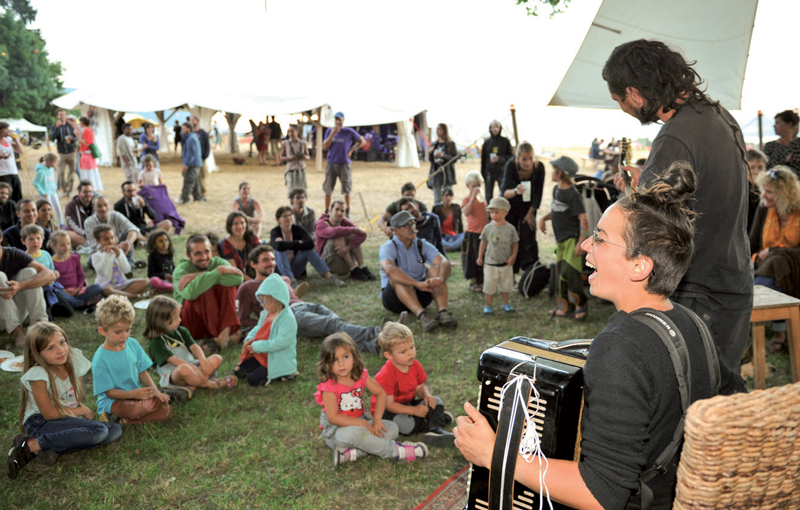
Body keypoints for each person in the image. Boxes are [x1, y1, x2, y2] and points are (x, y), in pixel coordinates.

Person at [454, 163, 747, 510]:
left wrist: (495, 454)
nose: (583, 245)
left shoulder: (620, 347)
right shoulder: (689, 321)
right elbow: (734, 399)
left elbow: (601, 493)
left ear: (640, 265)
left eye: (600, 238)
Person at [604, 39, 753, 370]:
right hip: (733, 285)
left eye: (620, 100)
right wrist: (648, 179)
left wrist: (631, 197)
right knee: (718, 403)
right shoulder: (719, 116)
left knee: (690, 408)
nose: (623, 108)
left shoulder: (675, 136)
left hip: (697, 295)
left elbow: (645, 226)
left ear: (636, 94)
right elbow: (706, 188)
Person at [6, 322, 122, 480]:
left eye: (62, 343)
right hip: (40, 423)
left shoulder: (72, 360)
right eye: (50, 348)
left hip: (66, 419)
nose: (60, 350)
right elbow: (50, 414)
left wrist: (75, 373)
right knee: (99, 432)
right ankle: (29, 445)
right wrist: (82, 411)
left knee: (115, 430)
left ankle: (51, 449)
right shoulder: (38, 374)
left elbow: (78, 398)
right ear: (36, 354)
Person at [238, 245, 399, 354]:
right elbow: (244, 319)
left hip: (306, 306)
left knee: (336, 325)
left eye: (273, 259)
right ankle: (383, 332)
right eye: (265, 260)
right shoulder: (249, 287)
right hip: (289, 315)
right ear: (253, 264)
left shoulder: (283, 278)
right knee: (334, 325)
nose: (271, 263)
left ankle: (373, 345)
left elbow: (291, 297)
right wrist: (270, 325)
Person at [314, 332, 428, 467]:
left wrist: (377, 420)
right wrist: (364, 425)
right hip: (337, 432)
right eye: (334, 360)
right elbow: (333, 418)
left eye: (345, 357)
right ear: (327, 365)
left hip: (362, 423)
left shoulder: (360, 375)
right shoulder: (329, 386)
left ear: (354, 357)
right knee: (357, 434)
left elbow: (380, 393)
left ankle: (352, 453)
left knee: (392, 428)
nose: (341, 363)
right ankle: (396, 450)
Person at [91, 295, 173, 425]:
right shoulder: (100, 358)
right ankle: (112, 415)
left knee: (167, 409)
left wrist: (156, 392)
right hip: (113, 402)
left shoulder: (133, 344)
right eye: (118, 332)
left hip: (136, 398)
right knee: (138, 409)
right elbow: (110, 393)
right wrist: (133, 394)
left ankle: (124, 421)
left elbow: (142, 371)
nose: (125, 335)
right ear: (103, 331)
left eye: (128, 330)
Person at [372, 322, 454, 447]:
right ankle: (436, 421)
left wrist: (426, 396)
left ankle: (436, 429)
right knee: (404, 425)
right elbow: (389, 405)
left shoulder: (415, 365)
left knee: (435, 401)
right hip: (388, 411)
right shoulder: (385, 375)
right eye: (403, 351)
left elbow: (420, 387)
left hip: (408, 404)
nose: (410, 353)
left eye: (412, 347)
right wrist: (413, 410)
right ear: (389, 355)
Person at [749, 166, 800, 354]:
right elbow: (752, 241)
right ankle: (778, 335)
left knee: (777, 260)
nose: (764, 196)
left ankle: (778, 336)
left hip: (796, 267)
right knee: (774, 264)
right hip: (767, 265)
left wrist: (775, 250)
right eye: (763, 190)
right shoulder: (764, 209)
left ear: (785, 194)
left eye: (769, 192)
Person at [379, 210, 457, 332]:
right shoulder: (388, 247)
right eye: (407, 225)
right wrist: (417, 284)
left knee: (436, 269)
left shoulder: (421, 243)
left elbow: (444, 262)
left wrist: (440, 278)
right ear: (396, 230)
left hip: (421, 292)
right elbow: (390, 270)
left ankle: (443, 312)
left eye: (413, 224)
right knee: (397, 278)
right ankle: (422, 315)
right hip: (394, 300)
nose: (412, 228)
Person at [144, 296, 236, 394]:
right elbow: (174, 360)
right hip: (175, 374)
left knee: (217, 358)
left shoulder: (181, 331)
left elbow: (194, 346)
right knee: (184, 369)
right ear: (161, 322)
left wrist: (203, 360)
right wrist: (196, 369)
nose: (179, 320)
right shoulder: (155, 342)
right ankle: (211, 384)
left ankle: (191, 387)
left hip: (191, 365)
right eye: (175, 318)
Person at [539, 156, 589, 320]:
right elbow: (557, 211)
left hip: (572, 239)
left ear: (560, 173)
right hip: (560, 240)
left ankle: (580, 305)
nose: (552, 173)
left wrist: (581, 241)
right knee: (560, 273)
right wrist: (543, 219)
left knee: (571, 272)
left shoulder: (573, 195)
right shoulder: (557, 190)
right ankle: (564, 307)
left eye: (554, 170)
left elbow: (583, 219)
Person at [173, 234, 243, 349]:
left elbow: (238, 278)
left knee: (227, 286)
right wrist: (217, 273)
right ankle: (228, 334)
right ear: (188, 256)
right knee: (203, 288)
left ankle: (223, 335)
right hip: (192, 323)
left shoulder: (218, 263)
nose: (204, 257)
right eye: (197, 253)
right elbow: (190, 294)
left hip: (215, 318)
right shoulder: (181, 270)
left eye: (207, 251)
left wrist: (200, 274)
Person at [234, 273, 298, 387]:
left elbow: (281, 342)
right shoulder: (267, 313)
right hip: (265, 355)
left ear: (278, 299)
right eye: (261, 301)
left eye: (265, 301)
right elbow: (258, 328)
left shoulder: (287, 318)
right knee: (238, 370)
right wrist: (250, 338)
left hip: (278, 361)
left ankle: (285, 374)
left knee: (252, 380)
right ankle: (261, 368)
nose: (262, 305)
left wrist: (258, 346)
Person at [0, 230, 54, 347]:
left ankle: (39, 325)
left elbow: (49, 274)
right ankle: (17, 332)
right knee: (0, 276)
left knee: (30, 272)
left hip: (18, 311)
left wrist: (20, 286)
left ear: (0, 238)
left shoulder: (13, 253)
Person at [271, 206, 346, 287]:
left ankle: (329, 277)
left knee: (308, 250)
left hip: (296, 267)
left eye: (290, 215)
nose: (288, 218)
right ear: (278, 220)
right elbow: (278, 246)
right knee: (279, 251)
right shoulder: (275, 232)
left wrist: (287, 244)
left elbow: (310, 244)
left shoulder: (298, 229)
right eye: (285, 216)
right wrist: (298, 244)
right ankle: (291, 281)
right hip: (280, 271)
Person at [501, 141, 546, 274]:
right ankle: (511, 267)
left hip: (529, 205)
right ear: (517, 158)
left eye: (530, 158)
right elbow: (504, 193)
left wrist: (531, 213)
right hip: (511, 203)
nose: (527, 162)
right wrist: (515, 191)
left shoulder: (539, 167)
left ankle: (530, 268)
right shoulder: (510, 166)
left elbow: (538, 193)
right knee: (511, 234)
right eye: (524, 159)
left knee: (529, 232)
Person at [49, 230, 107, 314]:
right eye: (62, 245)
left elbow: (81, 275)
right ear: (53, 246)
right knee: (57, 293)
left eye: (68, 244)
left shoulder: (75, 258)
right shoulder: (51, 261)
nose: (66, 247)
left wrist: (78, 288)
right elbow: (53, 282)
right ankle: (84, 303)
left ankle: (74, 302)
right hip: (63, 291)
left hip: (78, 290)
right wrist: (64, 290)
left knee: (98, 287)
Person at [478, 196, 519, 314]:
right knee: (489, 285)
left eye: (497, 212)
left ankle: (505, 303)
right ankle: (488, 305)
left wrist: (513, 256)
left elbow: (515, 243)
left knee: (505, 285)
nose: (494, 215)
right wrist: (480, 256)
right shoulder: (488, 228)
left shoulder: (510, 229)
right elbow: (483, 241)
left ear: (505, 212)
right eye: (491, 212)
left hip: (505, 263)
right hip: (490, 263)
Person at [315, 200, 373, 281]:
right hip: (328, 265)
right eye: (337, 209)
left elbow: (362, 234)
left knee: (353, 235)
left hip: (343, 260)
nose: (339, 213)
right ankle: (353, 268)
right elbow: (333, 232)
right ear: (330, 211)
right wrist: (355, 229)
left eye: (342, 211)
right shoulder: (321, 223)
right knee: (338, 236)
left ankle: (362, 267)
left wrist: (347, 248)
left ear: (345, 214)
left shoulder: (343, 221)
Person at [90, 225, 150, 299]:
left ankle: (120, 295)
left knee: (145, 281)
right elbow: (103, 272)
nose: (110, 241)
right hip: (107, 285)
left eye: (112, 238)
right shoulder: (96, 256)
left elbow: (127, 270)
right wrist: (107, 254)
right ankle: (134, 295)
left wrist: (118, 255)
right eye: (106, 239)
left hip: (122, 284)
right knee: (107, 290)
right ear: (98, 241)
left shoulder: (119, 252)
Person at [321, 112, 365, 214]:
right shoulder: (329, 131)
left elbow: (362, 141)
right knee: (328, 187)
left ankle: (347, 211)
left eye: (339, 119)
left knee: (347, 188)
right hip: (332, 162)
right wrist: (333, 133)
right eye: (336, 119)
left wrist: (352, 150)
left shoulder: (348, 131)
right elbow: (324, 147)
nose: (337, 121)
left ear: (343, 120)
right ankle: (327, 211)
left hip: (345, 163)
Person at [83, 195, 141, 262]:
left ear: (110, 206)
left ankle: (130, 264)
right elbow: (95, 245)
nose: (103, 208)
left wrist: (128, 243)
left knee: (129, 237)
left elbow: (133, 229)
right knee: (91, 261)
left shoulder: (116, 215)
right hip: (101, 253)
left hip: (118, 246)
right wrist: (117, 248)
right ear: (94, 208)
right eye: (99, 206)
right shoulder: (89, 222)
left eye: (105, 205)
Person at [462, 171, 488, 292]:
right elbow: (466, 212)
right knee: (472, 258)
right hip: (472, 232)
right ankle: (473, 281)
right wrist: (473, 197)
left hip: (484, 233)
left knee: (483, 256)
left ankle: (482, 280)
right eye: (474, 186)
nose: (477, 188)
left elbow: (487, 212)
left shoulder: (483, 199)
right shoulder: (467, 199)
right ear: (468, 186)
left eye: (479, 185)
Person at [220, 211, 261, 281]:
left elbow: (260, 261)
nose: (239, 226)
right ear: (230, 226)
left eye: (242, 223)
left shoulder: (252, 238)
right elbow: (235, 271)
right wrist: (254, 283)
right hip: (237, 278)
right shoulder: (225, 244)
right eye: (235, 224)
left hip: (257, 275)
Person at [481, 120, 514, 202]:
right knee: (488, 196)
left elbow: (511, 157)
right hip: (489, 173)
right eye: (493, 127)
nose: (495, 129)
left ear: (500, 128)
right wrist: (482, 174)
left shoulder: (505, 141)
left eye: (497, 127)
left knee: (503, 194)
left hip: (502, 172)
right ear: (490, 129)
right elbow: (483, 160)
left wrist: (499, 159)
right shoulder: (487, 142)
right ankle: (489, 213)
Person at [763, 110, 800, 178]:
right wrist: (786, 161)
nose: (774, 126)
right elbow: (767, 168)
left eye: (778, 123)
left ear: (789, 124)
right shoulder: (770, 146)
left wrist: (792, 140)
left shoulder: (797, 144)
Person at [427, 123, 458, 205]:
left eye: (439, 129)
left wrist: (443, 156)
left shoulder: (450, 144)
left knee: (447, 196)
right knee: (437, 198)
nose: (437, 131)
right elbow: (431, 160)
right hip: (436, 173)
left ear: (444, 131)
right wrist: (430, 153)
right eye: (436, 129)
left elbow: (454, 159)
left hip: (447, 174)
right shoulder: (434, 144)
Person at [50, 110, 78, 197]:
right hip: (61, 152)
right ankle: (64, 190)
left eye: (63, 114)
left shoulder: (70, 125)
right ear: (57, 116)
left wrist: (72, 139)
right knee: (61, 172)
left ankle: (70, 191)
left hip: (71, 151)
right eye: (60, 114)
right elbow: (52, 138)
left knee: (71, 172)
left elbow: (77, 137)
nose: (62, 116)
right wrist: (57, 128)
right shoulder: (55, 126)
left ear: (66, 115)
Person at [33, 153, 64, 226]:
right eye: (55, 162)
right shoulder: (41, 172)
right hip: (46, 194)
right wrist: (43, 192)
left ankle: (61, 224)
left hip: (52, 192)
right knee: (49, 210)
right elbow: (35, 183)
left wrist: (55, 187)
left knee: (58, 207)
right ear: (49, 161)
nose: (56, 164)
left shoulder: (51, 169)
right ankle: (50, 224)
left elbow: (51, 180)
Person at [64, 180, 94, 249]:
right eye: (85, 192)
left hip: (95, 235)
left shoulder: (96, 203)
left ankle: (90, 246)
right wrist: (87, 234)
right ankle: (90, 246)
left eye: (90, 192)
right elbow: (73, 226)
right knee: (68, 234)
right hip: (81, 236)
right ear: (79, 193)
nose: (88, 194)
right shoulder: (70, 206)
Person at [432, 187, 464, 252]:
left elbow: (460, 224)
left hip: (454, 237)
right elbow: (433, 226)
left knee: (466, 235)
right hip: (442, 237)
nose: (448, 198)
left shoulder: (456, 208)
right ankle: (453, 247)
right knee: (436, 239)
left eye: (450, 195)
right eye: (446, 195)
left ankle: (449, 247)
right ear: (442, 197)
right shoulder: (436, 208)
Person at [76, 117, 103, 192]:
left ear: (82, 122)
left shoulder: (87, 130)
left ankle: (91, 187)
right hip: (86, 154)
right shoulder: (88, 130)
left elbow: (87, 143)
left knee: (89, 172)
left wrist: (78, 137)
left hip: (87, 154)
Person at [179, 122, 203, 204]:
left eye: (184, 128)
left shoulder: (190, 139)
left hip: (192, 164)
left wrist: (186, 164)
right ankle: (197, 197)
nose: (182, 130)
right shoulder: (192, 137)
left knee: (188, 181)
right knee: (195, 181)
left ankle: (184, 199)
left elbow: (190, 154)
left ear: (188, 129)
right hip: (196, 164)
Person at [0, 121, 24, 203]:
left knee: (18, 196)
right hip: (2, 174)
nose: (8, 131)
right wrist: (1, 157)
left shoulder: (7, 140)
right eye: (6, 129)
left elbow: (20, 150)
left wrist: (15, 138)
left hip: (13, 172)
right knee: (7, 198)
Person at [746, 148, 768, 233]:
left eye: (760, 167)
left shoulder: (767, 187)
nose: (757, 171)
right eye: (752, 167)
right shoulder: (743, 188)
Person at [281, 125, 308, 193]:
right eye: (289, 132)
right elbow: (281, 157)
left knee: (302, 189)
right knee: (291, 190)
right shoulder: (285, 143)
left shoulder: (303, 143)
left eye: (292, 132)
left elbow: (308, 156)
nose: (290, 134)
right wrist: (290, 158)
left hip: (301, 169)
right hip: (291, 169)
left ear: (297, 131)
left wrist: (303, 157)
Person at [189, 115, 210, 195]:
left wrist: (204, 156)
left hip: (201, 159)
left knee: (201, 176)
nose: (192, 122)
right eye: (190, 120)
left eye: (193, 120)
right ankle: (194, 193)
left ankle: (202, 193)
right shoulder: (189, 133)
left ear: (197, 121)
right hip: (191, 159)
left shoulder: (203, 133)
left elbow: (207, 146)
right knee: (192, 177)